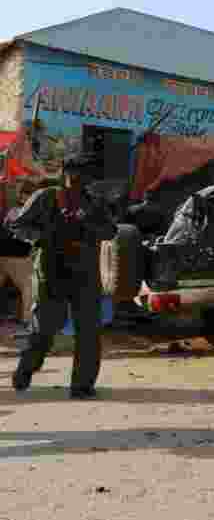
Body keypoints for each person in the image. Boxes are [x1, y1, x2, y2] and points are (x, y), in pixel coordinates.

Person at [6, 155, 118, 398]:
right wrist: (43, 236)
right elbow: (18, 226)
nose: (78, 180)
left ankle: (82, 385)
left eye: (83, 175)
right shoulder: (45, 197)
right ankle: (25, 371)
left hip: (85, 275)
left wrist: (88, 225)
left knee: (88, 331)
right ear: (65, 174)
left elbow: (111, 230)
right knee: (43, 329)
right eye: (74, 174)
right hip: (50, 272)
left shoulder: (94, 203)